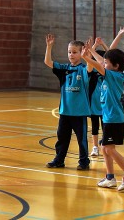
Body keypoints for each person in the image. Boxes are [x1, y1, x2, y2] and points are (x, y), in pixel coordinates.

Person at [82, 46, 124, 191]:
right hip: (110, 118)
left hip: (114, 118)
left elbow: (99, 66)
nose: (104, 64)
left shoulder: (114, 76)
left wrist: (86, 58)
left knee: (109, 149)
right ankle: (110, 178)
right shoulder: (114, 73)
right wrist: (93, 52)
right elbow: (102, 63)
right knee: (104, 148)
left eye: (107, 63)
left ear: (116, 65)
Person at [44, 34, 91, 170]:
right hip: (65, 112)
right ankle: (59, 160)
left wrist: (87, 56)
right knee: (62, 138)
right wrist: (49, 46)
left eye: (75, 52)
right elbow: (48, 62)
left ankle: (84, 162)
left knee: (81, 140)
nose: (71, 54)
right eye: (69, 52)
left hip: (79, 113)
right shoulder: (64, 69)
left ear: (81, 53)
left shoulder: (83, 69)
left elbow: (90, 68)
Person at [89, 37, 107, 157]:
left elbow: (111, 54)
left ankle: (105, 144)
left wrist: (103, 44)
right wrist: (92, 48)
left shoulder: (108, 73)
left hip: (105, 104)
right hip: (94, 104)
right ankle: (95, 147)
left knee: (105, 126)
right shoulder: (91, 72)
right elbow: (88, 59)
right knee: (95, 127)